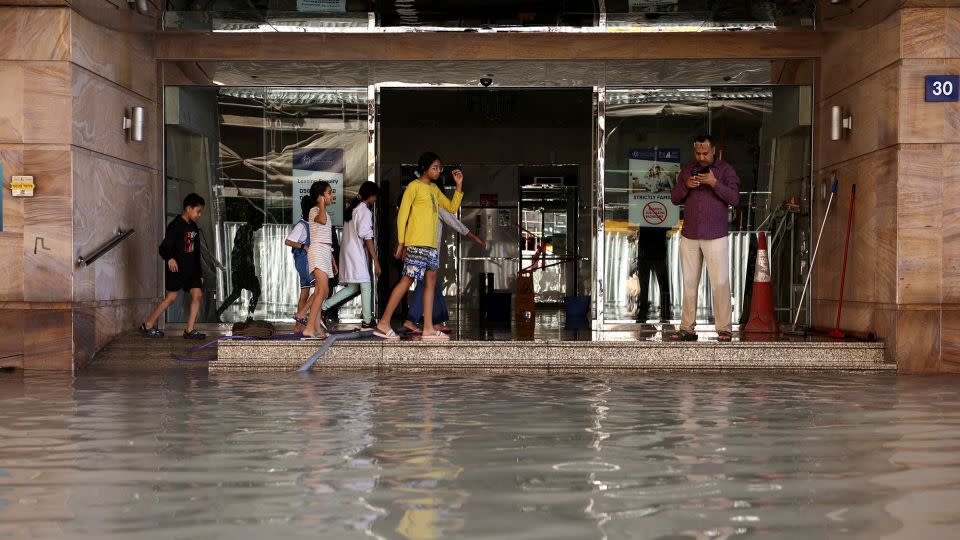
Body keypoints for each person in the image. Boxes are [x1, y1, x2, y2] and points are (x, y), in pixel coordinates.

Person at [373, 152, 464, 341]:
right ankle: (383, 323)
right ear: (424, 168)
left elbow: (452, 207)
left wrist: (459, 185)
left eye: (440, 168)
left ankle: (429, 328)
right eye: (435, 167)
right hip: (417, 244)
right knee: (406, 281)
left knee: (430, 283)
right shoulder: (413, 187)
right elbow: (402, 216)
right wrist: (401, 243)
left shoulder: (433, 190)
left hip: (431, 246)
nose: (438, 171)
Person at [669, 135, 740, 342]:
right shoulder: (687, 169)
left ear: (713, 150)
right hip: (690, 234)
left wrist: (714, 183)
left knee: (720, 283)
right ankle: (687, 328)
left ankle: (724, 328)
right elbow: (674, 198)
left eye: (705, 153)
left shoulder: (725, 170)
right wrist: (686, 186)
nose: (701, 157)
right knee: (689, 283)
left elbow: (735, 199)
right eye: (698, 153)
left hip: (715, 235)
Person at [403, 206, 486, 334]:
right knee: (425, 285)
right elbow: (454, 222)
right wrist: (475, 237)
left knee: (431, 285)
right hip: (428, 252)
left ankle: (434, 322)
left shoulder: (421, 207)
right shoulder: (435, 206)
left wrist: (404, 247)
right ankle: (415, 321)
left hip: (421, 251)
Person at [140, 193, 207, 340]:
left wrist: (199, 273)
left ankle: (189, 331)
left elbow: (194, 252)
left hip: (192, 270)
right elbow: (164, 247)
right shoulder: (175, 225)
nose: (199, 215)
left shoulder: (193, 227)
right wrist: (170, 258)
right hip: (177, 269)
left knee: (197, 295)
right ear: (188, 209)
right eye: (198, 211)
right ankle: (148, 325)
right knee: (171, 298)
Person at [322, 181, 380, 329]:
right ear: (371, 196)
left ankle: (323, 307)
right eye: (375, 196)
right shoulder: (364, 211)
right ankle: (367, 321)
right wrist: (376, 260)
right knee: (366, 284)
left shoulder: (353, 208)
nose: (375, 200)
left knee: (353, 288)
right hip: (356, 254)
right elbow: (366, 236)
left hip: (348, 252)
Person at [302, 181, 338, 339]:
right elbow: (321, 220)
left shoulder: (326, 214)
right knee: (323, 290)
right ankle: (309, 327)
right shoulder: (314, 210)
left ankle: (315, 327)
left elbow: (327, 239)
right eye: (329, 193)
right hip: (317, 251)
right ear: (320, 197)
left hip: (325, 251)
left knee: (320, 291)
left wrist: (333, 261)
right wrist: (321, 204)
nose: (332, 196)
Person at [215, 208, 263, 321]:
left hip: (239, 268)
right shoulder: (247, 231)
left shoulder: (245, 230)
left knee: (236, 293)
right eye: (260, 222)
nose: (261, 226)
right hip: (244, 269)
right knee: (256, 291)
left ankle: (218, 312)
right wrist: (250, 268)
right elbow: (245, 251)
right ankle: (249, 317)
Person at [285, 195, 316, 334]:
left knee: (304, 293)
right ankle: (303, 314)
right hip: (305, 261)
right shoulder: (302, 225)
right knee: (321, 288)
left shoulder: (309, 224)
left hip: (305, 262)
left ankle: (298, 327)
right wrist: (303, 246)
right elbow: (288, 241)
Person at [635, 227, 671, 323]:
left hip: (645, 249)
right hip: (659, 250)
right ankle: (665, 313)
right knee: (663, 285)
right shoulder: (663, 214)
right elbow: (669, 225)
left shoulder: (642, 214)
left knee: (644, 285)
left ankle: (643, 312)